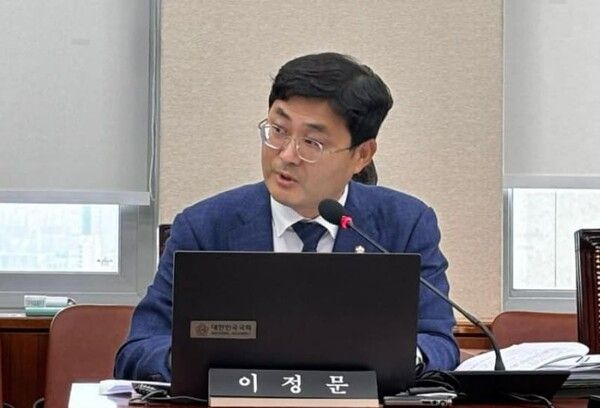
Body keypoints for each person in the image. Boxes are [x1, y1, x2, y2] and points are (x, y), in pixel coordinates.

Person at [114, 52, 460, 382]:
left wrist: (397, 357)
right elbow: (138, 350)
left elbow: (438, 343)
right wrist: (195, 358)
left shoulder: (405, 225)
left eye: (312, 142)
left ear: (362, 155)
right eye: (278, 130)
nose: (286, 155)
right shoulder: (206, 227)